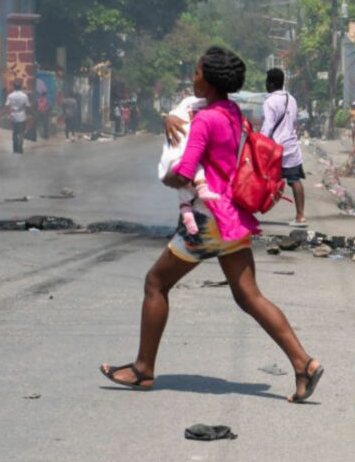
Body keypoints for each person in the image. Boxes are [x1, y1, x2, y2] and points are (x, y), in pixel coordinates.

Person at [100, 46, 324, 403]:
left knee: (155, 283)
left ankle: (143, 369)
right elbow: (186, 111)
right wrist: (166, 119)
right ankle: (304, 363)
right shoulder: (232, 112)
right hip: (233, 217)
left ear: (210, 79)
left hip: (207, 221)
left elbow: (185, 172)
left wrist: (168, 176)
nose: (193, 77)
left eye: (197, 73)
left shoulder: (205, 121)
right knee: (249, 296)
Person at [156, 95, 222, 239]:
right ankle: (200, 193)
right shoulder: (191, 114)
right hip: (186, 169)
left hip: (175, 168)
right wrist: (170, 118)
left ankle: (187, 220)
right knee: (194, 171)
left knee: (184, 195)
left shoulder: (217, 111)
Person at [261, 68, 309, 228]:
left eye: (267, 81)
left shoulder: (269, 102)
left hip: (275, 147)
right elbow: (293, 121)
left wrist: (259, 142)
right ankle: (301, 216)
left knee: (259, 177)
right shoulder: (292, 99)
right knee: (295, 180)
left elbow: (268, 126)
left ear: (271, 83)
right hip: (291, 146)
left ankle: (248, 211)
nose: (266, 84)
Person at [4, 80, 30, 154]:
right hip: (22, 116)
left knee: (15, 132)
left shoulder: (10, 96)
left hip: (13, 116)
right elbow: (28, 106)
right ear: (20, 87)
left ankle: (15, 148)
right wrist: (28, 115)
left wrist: (7, 114)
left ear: (14, 87)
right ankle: (20, 147)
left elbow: (7, 106)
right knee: (21, 132)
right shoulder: (24, 96)